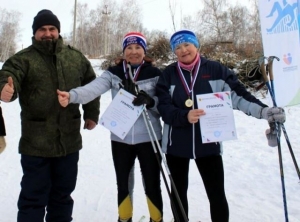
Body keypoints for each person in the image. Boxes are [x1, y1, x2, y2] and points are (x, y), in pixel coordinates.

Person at [155, 29, 286, 222]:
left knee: (216, 195)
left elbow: (240, 96)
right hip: (176, 145)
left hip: (209, 143)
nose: (183, 50)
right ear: (174, 52)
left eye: (187, 45)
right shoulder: (168, 74)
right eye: (178, 47)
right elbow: (163, 107)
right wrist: (184, 115)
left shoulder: (216, 70)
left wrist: (264, 111)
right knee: (178, 195)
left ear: (196, 45)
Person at [0, 9, 100, 222]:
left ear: (58, 31)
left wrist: (91, 114)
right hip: (36, 144)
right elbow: (9, 76)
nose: (47, 33)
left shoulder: (75, 57)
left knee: (62, 197)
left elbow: (91, 86)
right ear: (35, 33)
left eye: (52, 29)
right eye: (42, 29)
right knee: (33, 197)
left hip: (69, 142)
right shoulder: (23, 59)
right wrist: (5, 90)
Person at [57, 32, 163, 222]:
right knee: (123, 183)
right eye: (129, 48)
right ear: (123, 52)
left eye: (138, 47)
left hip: (150, 137)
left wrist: (150, 101)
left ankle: (156, 219)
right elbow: (92, 89)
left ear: (144, 50)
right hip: (120, 138)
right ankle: (124, 219)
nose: (133, 52)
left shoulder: (155, 74)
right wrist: (71, 96)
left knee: (152, 183)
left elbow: (164, 102)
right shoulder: (114, 73)